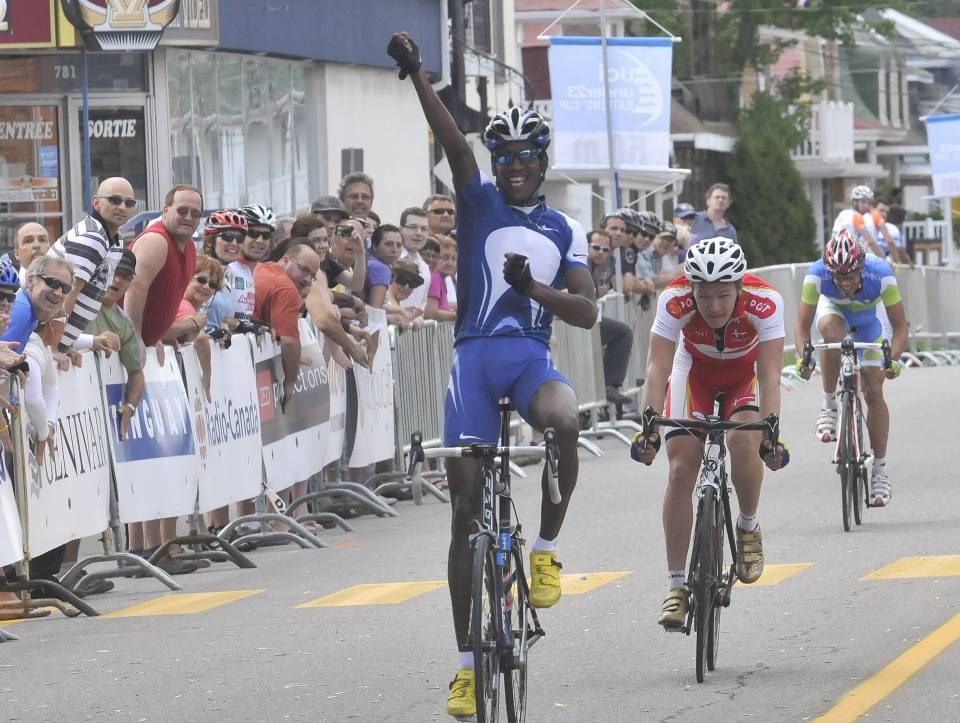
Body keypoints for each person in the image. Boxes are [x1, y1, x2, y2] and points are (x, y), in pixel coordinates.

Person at [389, 31, 597, 718]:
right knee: (465, 516)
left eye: (523, 158)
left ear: (541, 163)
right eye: (503, 156)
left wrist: (534, 292)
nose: (511, 167)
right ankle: (464, 667)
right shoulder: (477, 204)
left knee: (566, 421)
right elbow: (453, 141)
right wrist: (419, 72)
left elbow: (589, 312)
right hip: (472, 361)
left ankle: (544, 550)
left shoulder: (564, 228)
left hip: (530, 359)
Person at [630, 238, 789, 629]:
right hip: (694, 374)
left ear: (739, 287)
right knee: (682, 468)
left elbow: (769, 376)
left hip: (743, 377)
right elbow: (657, 370)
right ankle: (675, 586)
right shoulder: (675, 299)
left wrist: (771, 432)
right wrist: (649, 427)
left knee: (743, 441)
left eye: (723, 295)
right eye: (704, 296)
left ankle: (748, 525)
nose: (714, 306)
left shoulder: (765, 301)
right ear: (691, 289)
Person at [794, 229, 907, 507]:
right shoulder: (816, 274)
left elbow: (901, 326)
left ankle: (880, 470)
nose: (844, 282)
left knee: (872, 391)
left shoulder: (880, 274)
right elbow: (801, 327)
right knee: (834, 333)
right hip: (833, 314)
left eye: (851, 275)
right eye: (838, 276)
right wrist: (804, 357)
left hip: (869, 325)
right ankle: (829, 404)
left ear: (862, 267)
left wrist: (891, 358)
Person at [124, 184, 202, 575]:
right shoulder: (155, 242)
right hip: (134, 359)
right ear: (166, 208)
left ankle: (151, 550)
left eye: (194, 213)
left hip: (153, 353)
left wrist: (158, 336)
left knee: (151, 457)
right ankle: (146, 551)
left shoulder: (189, 248)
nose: (188, 218)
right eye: (182, 210)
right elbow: (133, 291)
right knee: (146, 457)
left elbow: (164, 299)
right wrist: (136, 341)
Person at [47, 176, 135, 354]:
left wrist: (68, 345)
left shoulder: (116, 241)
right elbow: (67, 294)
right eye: (114, 200)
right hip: (45, 340)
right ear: (96, 202)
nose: (122, 207)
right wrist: (54, 347)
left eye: (129, 202)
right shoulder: (92, 237)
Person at [86, 248, 145, 443]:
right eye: (114, 272)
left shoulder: (124, 322)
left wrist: (130, 407)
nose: (118, 280)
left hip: (99, 420)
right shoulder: (76, 301)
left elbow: (136, 372)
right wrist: (93, 341)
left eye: (125, 276)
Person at [254, 242, 321, 409]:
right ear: (286, 260)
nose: (307, 280)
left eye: (312, 276)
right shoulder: (286, 288)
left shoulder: (262, 267)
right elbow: (289, 342)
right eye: (304, 270)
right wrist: (291, 382)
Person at [586, 230, 634, 405]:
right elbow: (570, 293)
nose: (601, 252)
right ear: (586, 247)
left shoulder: (596, 267)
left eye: (606, 249)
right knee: (623, 332)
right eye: (596, 247)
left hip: (585, 321)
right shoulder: (579, 264)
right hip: (570, 323)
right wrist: (596, 292)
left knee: (622, 332)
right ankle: (608, 386)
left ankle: (608, 387)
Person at [201, 210, 247, 333]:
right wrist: (209, 333)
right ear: (210, 241)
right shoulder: (200, 272)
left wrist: (240, 325)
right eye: (228, 236)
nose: (234, 243)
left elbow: (215, 316)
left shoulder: (226, 273)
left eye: (240, 238)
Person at [231, 205, 277, 322]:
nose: (260, 240)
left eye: (266, 236)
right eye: (253, 233)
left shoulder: (266, 272)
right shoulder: (226, 269)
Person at [831, 185, 883, 257]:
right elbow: (870, 241)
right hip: (847, 257)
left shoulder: (844, 213)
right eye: (863, 202)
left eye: (869, 203)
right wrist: (883, 259)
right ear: (855, 202)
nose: (866, 205)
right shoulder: (856, 216)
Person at [398, 207, 432, 310]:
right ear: (400, 229)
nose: (419, 233)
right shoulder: (390, 261)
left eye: (424, 229)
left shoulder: (425, 268)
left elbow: (422, 305)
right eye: (413, 227)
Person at [365, 224, 403, 307]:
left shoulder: (367, 261)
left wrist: (401, 312)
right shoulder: (381, 268)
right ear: (375, 245)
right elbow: (375, 309)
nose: (395, 250)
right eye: (388, 244)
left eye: (399, 245)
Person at [385, 259, 425, 330]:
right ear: (392, 278)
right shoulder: (384, 297)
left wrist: (413, 318)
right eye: (402, 280)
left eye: (413, 283)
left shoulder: (400, 304)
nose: (406, 287)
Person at [424, 235, 457, 322]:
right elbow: (431, 312)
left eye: (454, 258)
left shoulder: (441, 279)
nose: (450, 263)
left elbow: (441, 305)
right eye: (445, 258)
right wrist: (459, 316)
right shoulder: (435, 277)